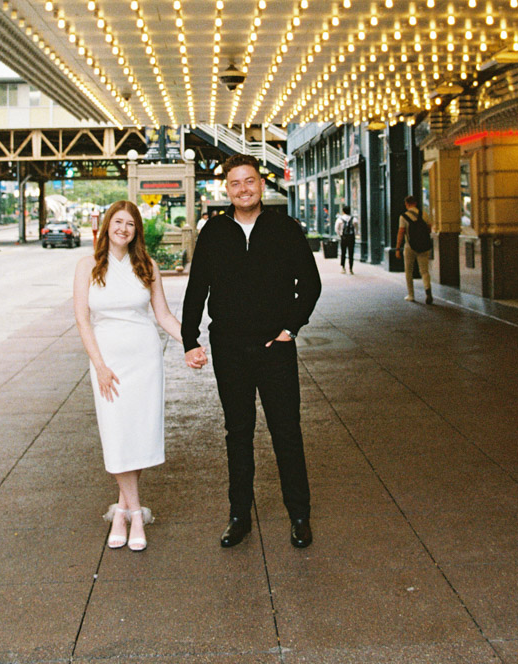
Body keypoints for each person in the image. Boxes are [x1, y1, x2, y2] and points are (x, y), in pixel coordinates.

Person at [182, 154, 322, 550]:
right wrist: (190, 338)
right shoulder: (213, 232)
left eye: (250, 181)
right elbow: (197, 289)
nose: (243, 189)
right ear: (226, 189)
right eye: (235, 183)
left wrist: (289, 328)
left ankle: (299, 516)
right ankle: (239, 516)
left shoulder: (285, 228)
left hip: (274, 349)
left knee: (287, 431)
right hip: (229, 349)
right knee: (237, 433)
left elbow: (309, 285)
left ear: (262, 184)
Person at [73, 200, 183, 551]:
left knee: (138, 433)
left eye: (130, 224)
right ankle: (137, 513)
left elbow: (163, 316)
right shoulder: (86, 266)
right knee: (117, 433)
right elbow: (82, 319)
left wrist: (193, 343)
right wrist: (100, 366)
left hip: (145, 359)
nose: (123, 228)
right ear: (107, 226)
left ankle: (122, 511)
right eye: (117, 222)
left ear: (137, 231)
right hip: (108, 362)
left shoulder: (147, 266)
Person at [395, 195, 433, 304]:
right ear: (415, 203)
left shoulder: (403, 217)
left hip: (409, 246)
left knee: (409, 271)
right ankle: (428, 290)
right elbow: (429, 229)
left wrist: (398, 248)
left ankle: (411, 295)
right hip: (423, 246)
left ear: (406, 205)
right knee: (424, 271)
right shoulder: (424, 214)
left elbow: (401, 233)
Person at [335, 204, 357, 274]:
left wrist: (340, 234)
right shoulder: (354, 219)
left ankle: (343, 268)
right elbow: (356, 229)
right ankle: (351, 269)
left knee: (343, 253)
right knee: (351, 253)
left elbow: (336, 229)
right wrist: (354, 235)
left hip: (343, 238)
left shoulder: (340, 219)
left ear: (343, 211)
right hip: (351, 238)